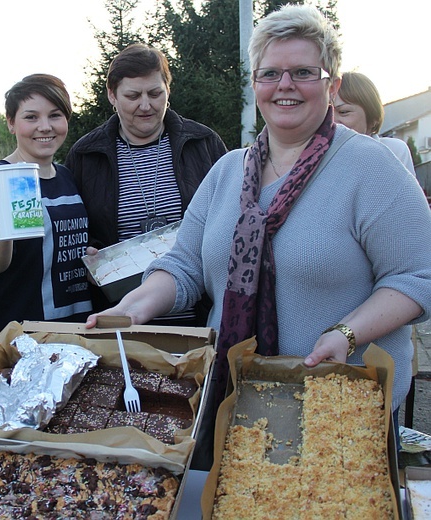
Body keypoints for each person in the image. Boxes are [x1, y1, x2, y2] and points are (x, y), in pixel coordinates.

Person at [87, 5, 431, 464]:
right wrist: (135, 307)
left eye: (303, 72)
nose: (285, 85)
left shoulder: (372, 169)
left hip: (339, 414)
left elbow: (417, 276)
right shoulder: (227, 171)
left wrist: (347, 334)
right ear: (255, 82)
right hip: (236, 404)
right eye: (270, 73)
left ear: (334, 84)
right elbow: (184, 265)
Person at [65, 43, 227, 325]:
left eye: (155, 93)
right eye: (132, 95)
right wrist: (89, 255)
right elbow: (75, 226)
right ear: (112, 95)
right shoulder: (85, 155)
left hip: (199, 314)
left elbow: (230, 217)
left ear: (168, 90)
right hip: (122, 317)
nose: (145, 105)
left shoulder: (203, 144)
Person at [0, 74, 92, 373]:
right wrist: (0, 223)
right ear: (11, 123)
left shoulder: (67, 177)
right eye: (31, 117)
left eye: (55, 115)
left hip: (74, 335)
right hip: (19, 341)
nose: (45, 126)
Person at [334, 71, 415, 173]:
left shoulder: (394, 151)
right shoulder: (316, 158)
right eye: (326, 113)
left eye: (343, 112)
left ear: (372, 119)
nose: (332, 122)